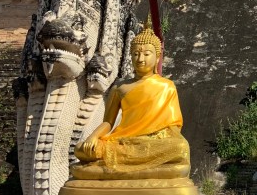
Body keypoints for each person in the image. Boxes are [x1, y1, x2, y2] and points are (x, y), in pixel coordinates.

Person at [73, 22, 190, 177]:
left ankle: (112, 166)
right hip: (123, 142)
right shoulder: (120, 87)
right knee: (81, 149)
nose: (140, 59)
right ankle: (140, 165)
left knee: (180, 147)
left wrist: (158, 137)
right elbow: (108, 122)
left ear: (157, 58)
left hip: (153, 142)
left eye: (146, 54)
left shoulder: (166, 86)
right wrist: (93, 136)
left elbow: (173, 126)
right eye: (135, 54)